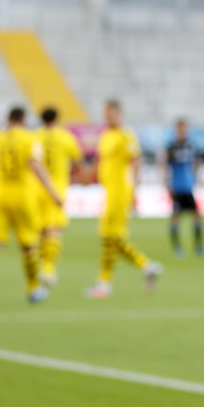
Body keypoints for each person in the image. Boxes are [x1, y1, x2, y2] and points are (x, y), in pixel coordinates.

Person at [0, 106, 62, 307]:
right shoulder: (29, 138)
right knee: (28, 244)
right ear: (23, 120)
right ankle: (33, 289)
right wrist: (53, 192)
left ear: (7, 119)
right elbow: (35, 165)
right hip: (23, 197)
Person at [84, 100, 163, 299]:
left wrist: (135, 192)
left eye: (110, 114)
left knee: (109, 236)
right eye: (105, 114)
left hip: (120, 192)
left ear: (119, 113)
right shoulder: (106, 135)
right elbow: (99, 160)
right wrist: (88, 175)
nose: (107, 117)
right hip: (109, 191)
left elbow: (135, 162)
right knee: (111, 237)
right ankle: (146, 266)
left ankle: (105, 283)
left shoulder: (126, 134)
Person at [35, 106, 85, 287]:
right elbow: (78, 162)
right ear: (57, 118)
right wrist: (78, 178)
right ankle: (48, 269)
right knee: (54, 230)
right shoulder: (66, 137)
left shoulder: (35, 136)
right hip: (57, 189)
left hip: (37, 188)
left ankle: (41, 266)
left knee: (41, 231)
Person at [164, 118, 204, 258]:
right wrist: (167, 185)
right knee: (175, 217)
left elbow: (196, 164)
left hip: (188, 187)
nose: (183, 131)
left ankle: (199, 247)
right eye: (180, 128)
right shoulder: (171, 147)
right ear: (176, 130)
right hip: (176, 187)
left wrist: (199, 179)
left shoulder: (192, 146)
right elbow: (166, 168)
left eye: (185, 128)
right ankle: (177, 247)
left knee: (197, 216)